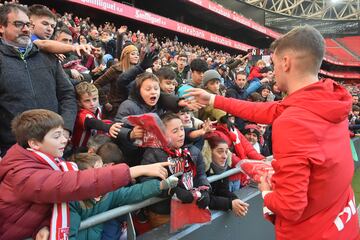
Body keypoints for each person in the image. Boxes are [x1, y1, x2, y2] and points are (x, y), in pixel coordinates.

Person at [185, 25, 360, 239]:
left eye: (274, 64)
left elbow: (290, 206)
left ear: (286, 62)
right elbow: (267, 110)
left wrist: (266, 190)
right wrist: (213, 99)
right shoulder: (329, 100)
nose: (273, 72)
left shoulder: (293, 121)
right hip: (343, 222)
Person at [0, 109, 172, 240]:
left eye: (64, 134)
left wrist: (44, 226)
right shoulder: (21, 173)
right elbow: (71, 184)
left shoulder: (45, 163)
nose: (64, 140)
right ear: (34, 143)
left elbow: (41, 205)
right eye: (56, 136)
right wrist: (134, 170)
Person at [0, 3, 77, 156]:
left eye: (28, 24)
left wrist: (66, 130)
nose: (26, 29)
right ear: (2, 27)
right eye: (18, 24)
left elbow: (67, 95)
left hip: (54, 147)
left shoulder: (48, 57)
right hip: (15, 151)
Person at [69, 153, 178, 240]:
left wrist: (161, 185)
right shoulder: (72, 203)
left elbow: (133, 192)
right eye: (96, 173)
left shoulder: (109, 193)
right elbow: (68, 235)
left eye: (103, 170)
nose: (103, 175)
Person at [141, 112, 210, 228]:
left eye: (182, 129)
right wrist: (172, 191)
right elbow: (147, 183)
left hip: (190, 208)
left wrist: (205, 189)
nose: (181, 134)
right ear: (161, 135)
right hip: (163, 213)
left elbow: (201, 175)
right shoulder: (152, 155)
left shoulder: (192, 151)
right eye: (175, 131)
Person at [202, 135, 249, 216]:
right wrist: (230, 204)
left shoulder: (224, 167)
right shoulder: (200, 170)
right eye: (220, 152)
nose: (225, 156)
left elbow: (222, 190)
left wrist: (235, 200)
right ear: (208, 153)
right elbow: (204, 199)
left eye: (226, 152)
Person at [71, 82, 122, 149]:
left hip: (92, 145)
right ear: (79, 102)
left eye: (94, 99)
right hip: (79, 148)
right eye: (87, 101)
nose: (92, 103)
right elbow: (92, 122)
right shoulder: (81, 114)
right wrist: (108, 127)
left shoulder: (98, 109)